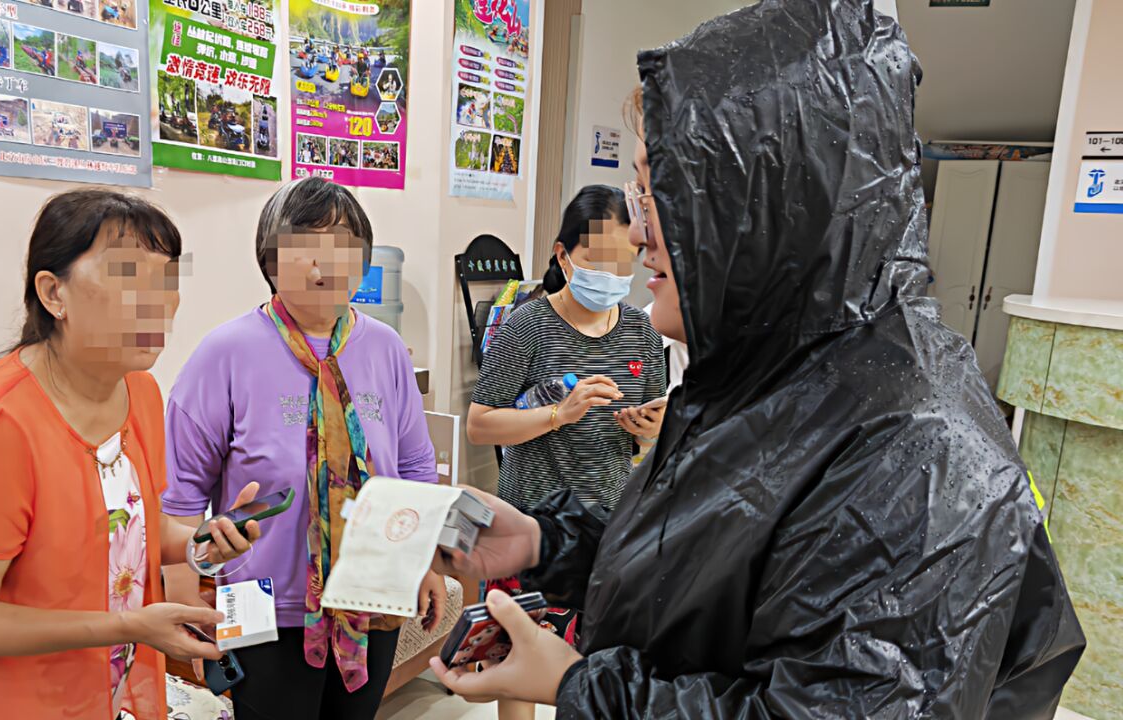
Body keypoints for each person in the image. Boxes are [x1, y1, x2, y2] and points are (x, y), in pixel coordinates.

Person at [431, 2, 1084, 718]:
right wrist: (544, 540)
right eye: (638, 192)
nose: (640, 236)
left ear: (764, 206)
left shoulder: (918, 453)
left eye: (658, 195)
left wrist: (580, 688)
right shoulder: (763, 373)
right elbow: (706, 570)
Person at [0, 190, 264, 719]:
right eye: (129, 276)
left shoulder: (141, 394)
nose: (158, 300)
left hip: (90, 687)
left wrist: (202, 543)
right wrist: (129, 626)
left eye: (168, 279)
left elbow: (126, 534)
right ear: (53, 293)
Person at [161, 177, 446, 720]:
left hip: (373, 591)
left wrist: (425, 560)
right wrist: (187, 611)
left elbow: (413, 467)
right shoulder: (226, 352)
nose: (327, 267)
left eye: (344, 250)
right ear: (270, 261)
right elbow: (179, 497)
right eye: (306, 250)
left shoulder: (385, 349)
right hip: (261, 602)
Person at [467, 185, 664, 720]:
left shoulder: (643, 333)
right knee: (519, 667)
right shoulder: (527, 326)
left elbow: (644, 444)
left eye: (621, 259)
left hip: (607, 530)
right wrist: (559, 413)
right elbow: (481, 425)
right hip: (530, 526)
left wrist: (650, 429)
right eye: (594, 258)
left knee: (592, 670)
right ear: (563, 255)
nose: (610, 272)